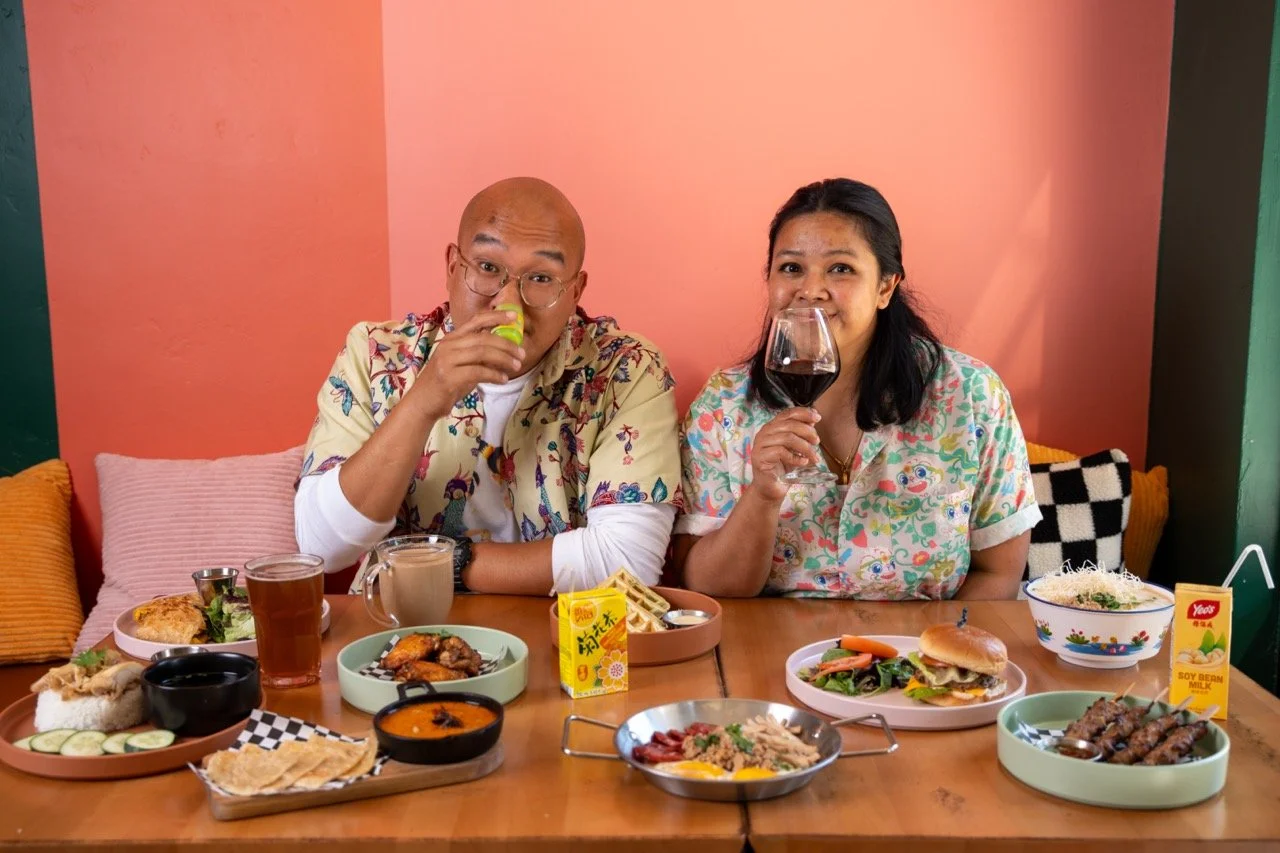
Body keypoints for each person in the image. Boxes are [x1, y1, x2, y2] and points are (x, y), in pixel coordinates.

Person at [295, 177, 681, 595]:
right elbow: (322, 547)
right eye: (488, 267)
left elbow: (628, 564)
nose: (509, 304)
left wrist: (439, 563)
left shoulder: (625, 370)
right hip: (399, 632)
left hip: (560, 636)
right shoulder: (376, 355)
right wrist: (424, 401)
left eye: (540, 278)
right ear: (452, 267)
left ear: (575, 291)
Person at [674, 178, 1040, 600]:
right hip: (767, 657)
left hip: (918, 658)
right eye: (791, 268)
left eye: (841, 268)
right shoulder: (722, 405)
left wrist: (929, 663)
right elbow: (703, 586)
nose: (810, 290)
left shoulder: (972, 396)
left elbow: (998, 574)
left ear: (886, 287)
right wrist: (763, 495)